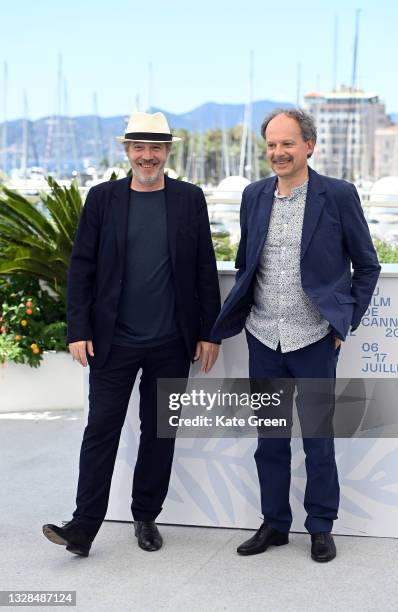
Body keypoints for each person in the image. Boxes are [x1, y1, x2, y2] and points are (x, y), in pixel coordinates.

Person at [43, 111, 220, 557]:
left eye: (155, 147)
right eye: (139, 147)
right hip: (112, 341)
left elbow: (203, 269)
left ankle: (145, 518)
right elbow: (81, 267)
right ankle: (83, 526)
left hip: (171, 342)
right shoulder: (102, 199)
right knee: (101, 430)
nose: (147, 155)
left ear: (167, 152)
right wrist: (78, 328)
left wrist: (210, 333)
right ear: (127, 151)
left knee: (158, 433)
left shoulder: (189, 199)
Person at [211, 109, 380, 562]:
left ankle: (321, 527)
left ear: (309, 145)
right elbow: (247, 262)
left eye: (287, 144)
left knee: (318, 441)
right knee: (270, 440)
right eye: (271, 145)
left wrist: (345, 321)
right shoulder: (253, 195)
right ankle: (274, 524)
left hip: (314, 340)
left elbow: (367, 265)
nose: (278, 153)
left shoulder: (338, 195)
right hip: (263, 337)